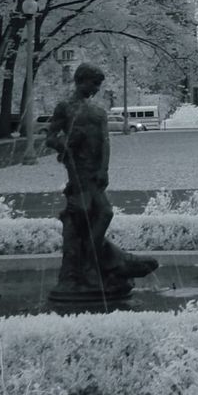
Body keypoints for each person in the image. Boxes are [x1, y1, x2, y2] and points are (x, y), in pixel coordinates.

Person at [45, 63, 156, 302]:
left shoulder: (97, 112)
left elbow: (106, 143)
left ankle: (92, 264)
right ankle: (87, 267)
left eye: (98, 85)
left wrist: (104, 169)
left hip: (95, 172)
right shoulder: (65, 108)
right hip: (77, 170)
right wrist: (63, 145)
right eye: (93, 83)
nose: (96, 89)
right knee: (90, 213)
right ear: (80, 80)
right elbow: (50, 137)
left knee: (101, 214)